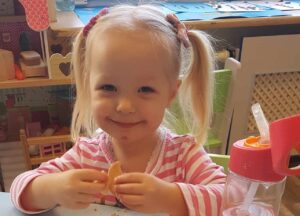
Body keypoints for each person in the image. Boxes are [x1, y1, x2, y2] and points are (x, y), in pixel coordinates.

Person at [10, 4, 226, 216]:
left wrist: (170, 198)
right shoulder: (86, 155)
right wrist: (53, 189)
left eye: (145, 89)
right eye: (108, 87)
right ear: (88, 86)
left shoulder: (183, 155)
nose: (124, 106)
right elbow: (19, 189)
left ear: (170, 94)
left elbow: (231, 199)